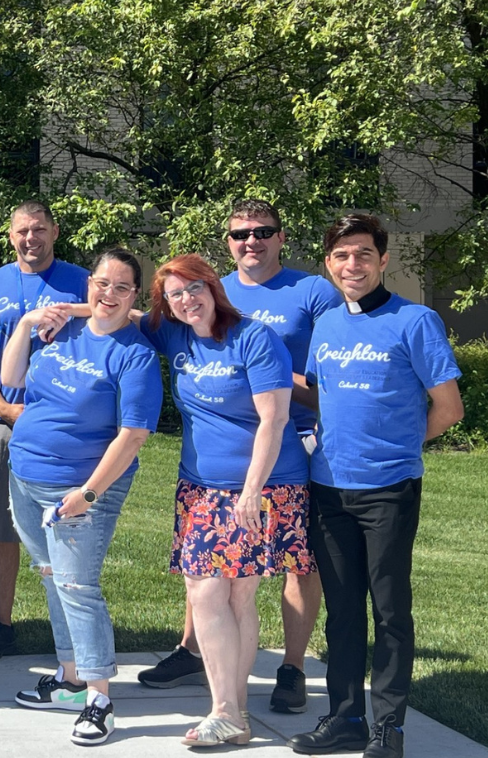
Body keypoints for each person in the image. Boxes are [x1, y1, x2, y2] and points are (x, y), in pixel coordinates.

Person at [137, 199, 341, 715]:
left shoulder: (307, 295)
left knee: (276, 574)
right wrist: (62, 313)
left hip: (284, 453)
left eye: (263, 231)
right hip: (206, 476)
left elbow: (327, 373)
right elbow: (127, 315)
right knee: (211, 585)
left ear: (280, 236)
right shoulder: (183, 319)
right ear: (227, 244)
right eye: (240, 234)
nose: (251, 241)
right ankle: (199, 659)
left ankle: (287, 670)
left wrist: (265, 376)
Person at [288, 215, 463, 758]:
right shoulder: (328, 325)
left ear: (383, 260)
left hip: (388, 490)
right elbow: (324, 394)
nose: (352, 265)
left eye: (363, 254)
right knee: (342, 610)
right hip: (328, 488)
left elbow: (449, 409)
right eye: (341, 256)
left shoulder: (416, 320)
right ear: (329, 264)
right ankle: (344, 719)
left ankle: (388, 728)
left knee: (389, 611)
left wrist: (399, 450)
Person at [2, 248, 162, 745]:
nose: (108, 294)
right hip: (26, 475)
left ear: (135, 295)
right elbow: (10, 378)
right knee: (51, 578)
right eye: (101, 283)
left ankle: (99, 697)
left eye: (121, 287)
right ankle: (70, 679)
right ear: (87, 284)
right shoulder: (59, 331)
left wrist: (89, 494)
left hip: (78, 487)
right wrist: (27, 321)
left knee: (77, 587)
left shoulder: (135, 354)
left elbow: (133, 435)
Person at [0, 200, 89, 662]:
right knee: (2, 527)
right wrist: (3, 409)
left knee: (71, 527)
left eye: (39, 229)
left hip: (68, 426)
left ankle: (77, 624)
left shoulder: (81, 281)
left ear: (55, 231)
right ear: (11, 235)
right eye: (22, 231)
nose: (30, 238)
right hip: (3, 421)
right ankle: (1, 625)